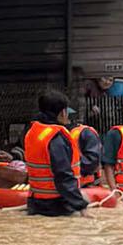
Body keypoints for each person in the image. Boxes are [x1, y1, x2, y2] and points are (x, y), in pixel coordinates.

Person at [23, 89, 88, 217]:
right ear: (62, 112)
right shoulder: (56, 137)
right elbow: (63, 175)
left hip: (36, 203)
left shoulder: (33, 131)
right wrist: (81, 205)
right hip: (58, 205)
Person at [67, 109, 102, 189]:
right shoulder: (58, 134)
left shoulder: (85, 133)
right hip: (66, 187)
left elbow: (91, 163)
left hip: (86, 186)